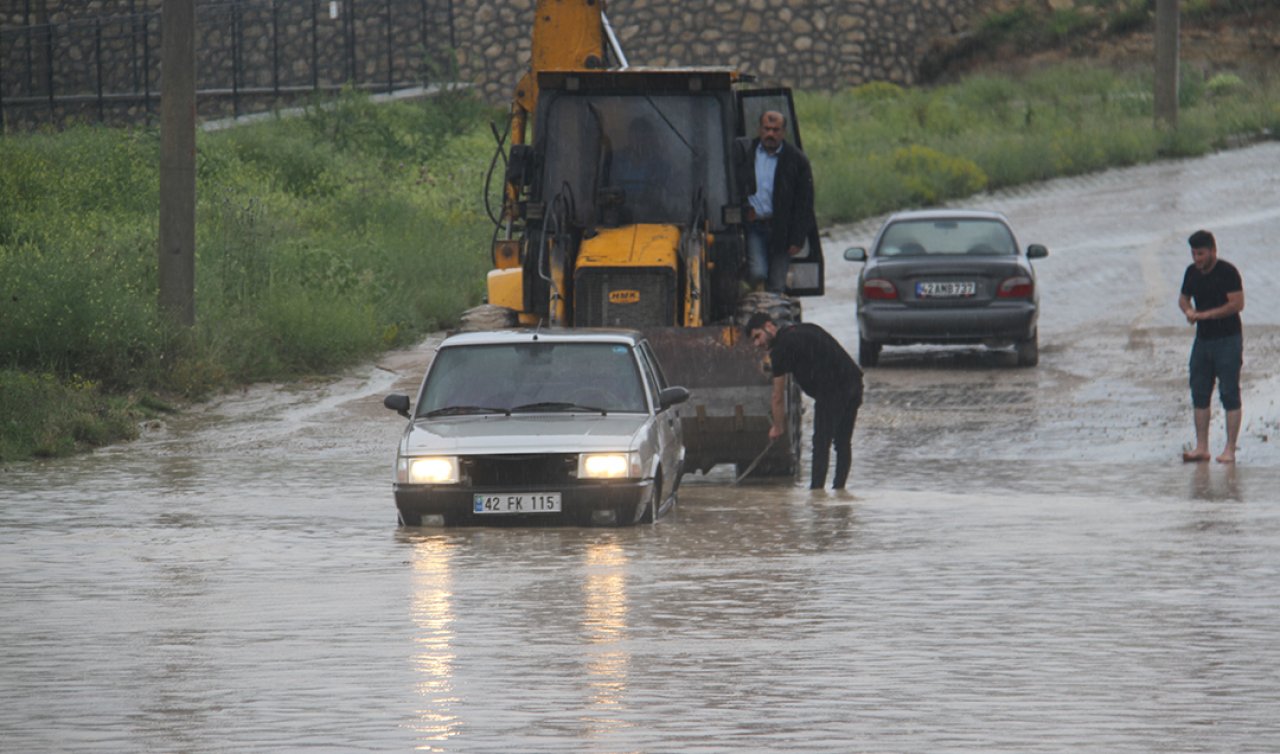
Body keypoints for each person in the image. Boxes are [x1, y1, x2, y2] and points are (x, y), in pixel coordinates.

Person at [745, 312, 863, 489]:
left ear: (769, 326)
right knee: (842, 443)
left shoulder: (780, 350)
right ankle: (839, 492)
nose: (757, 343)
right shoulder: (805, 328)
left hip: (833, 391)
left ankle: (817, 496)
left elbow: (777, 396)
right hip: (854, 383)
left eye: (757, 336)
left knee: (821, 444)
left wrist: (778, 427)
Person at [1178, 229, 1245, 464]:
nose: (1197, 259)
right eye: (1194, 254)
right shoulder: (1191, 272)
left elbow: (1237, 303)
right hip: (1202, 342)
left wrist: (1205, 315)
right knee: (1199, 392)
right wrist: (1188, 311)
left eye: (1201, 254)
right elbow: (1183, 298)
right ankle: (1202, 447)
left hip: (1229, 339)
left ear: (1213, 251)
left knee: (1229, 393)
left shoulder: (1228, 272)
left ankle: (1229, 450)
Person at [744, 110, 816, 293]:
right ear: (759, 129)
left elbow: (804, 202)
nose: (770, 134)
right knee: (757, 272)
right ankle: (758, 314)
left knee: (777, 282)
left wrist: (797, 238)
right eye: (767, 129)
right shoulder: (746, 154)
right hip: (754, 227)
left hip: (781, 230)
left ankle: (772, 319)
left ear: (783, 132)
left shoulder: (796, 160)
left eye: (776, 130)